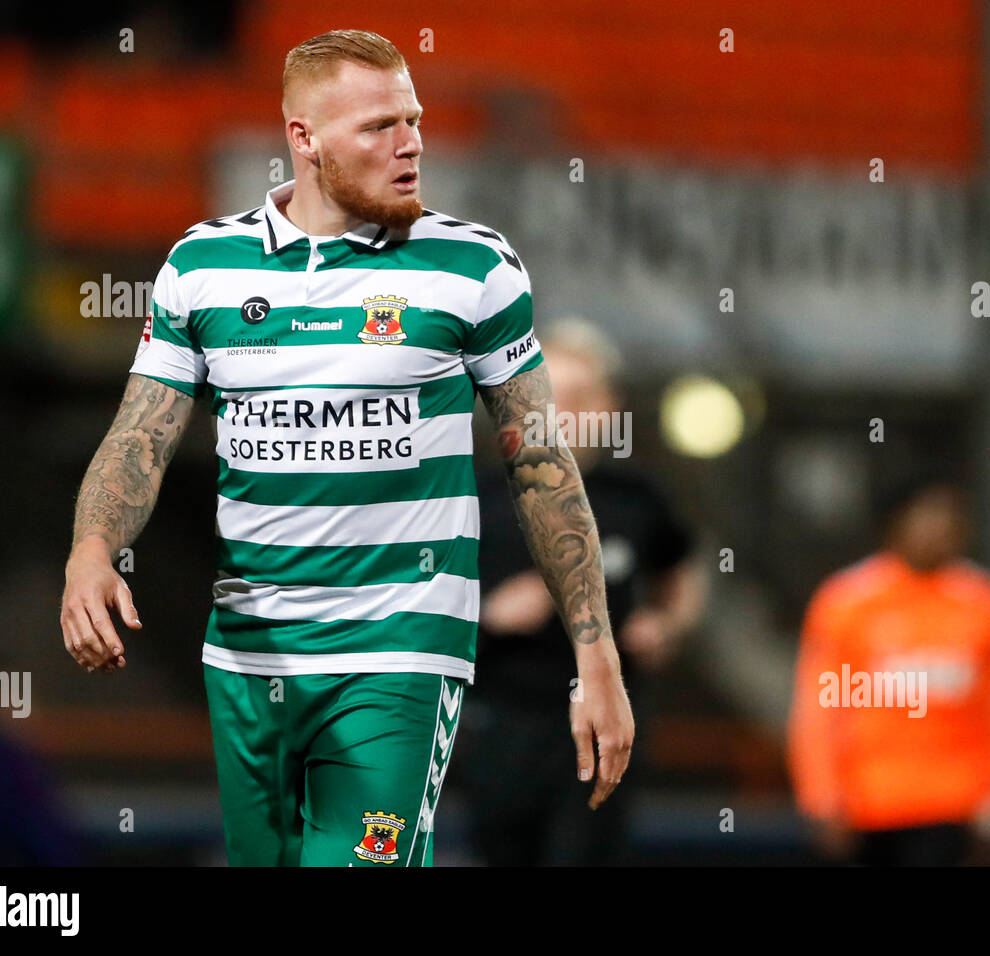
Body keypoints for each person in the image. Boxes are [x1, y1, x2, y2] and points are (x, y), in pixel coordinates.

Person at [58, 29, 633, 867]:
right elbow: (141, 434)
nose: (411, 145)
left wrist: (596, 649)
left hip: (399, 652)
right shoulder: (202, 265)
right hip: (251, 651)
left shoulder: (472, 267)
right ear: (305, 138)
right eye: (378, 127)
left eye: (414, 120)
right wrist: (91, 550)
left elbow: (542, 468)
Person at [456, 317, 704, 865]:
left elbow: (683, 570)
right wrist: (487, 613)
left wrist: (668, 624)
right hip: (501, 722)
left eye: (579, 396)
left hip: (601, 726)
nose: (562, 411)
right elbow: (408, 604)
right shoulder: (476, 497)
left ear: (609, 408)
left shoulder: (635, 499)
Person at [787, 468, 990, 866]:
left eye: (951, 517)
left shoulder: (986, 604)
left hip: (950, 805)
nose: (939, 528)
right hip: (865, 804)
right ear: (895, 522)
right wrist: (822, 797)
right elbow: (819, 709)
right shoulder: (846, 601)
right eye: (927, 515)